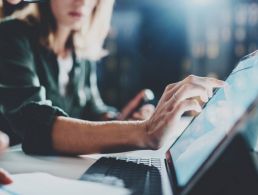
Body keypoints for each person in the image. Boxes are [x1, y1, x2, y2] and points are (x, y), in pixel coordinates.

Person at [0, 0, 225, 157]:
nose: (81, 2)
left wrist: (122, 119)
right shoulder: (12, 34)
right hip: (17, 168)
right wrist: (143, 131)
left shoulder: (80, 51)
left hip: (55, 166)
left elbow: (92, 109)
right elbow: (33, 124)